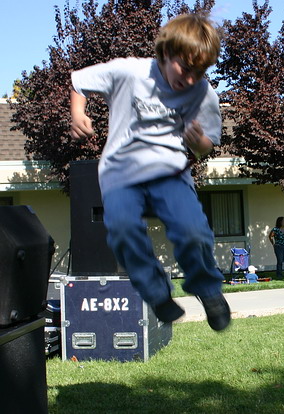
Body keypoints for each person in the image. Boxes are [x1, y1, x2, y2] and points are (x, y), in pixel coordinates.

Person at [69, 14, 231, 331]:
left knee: (192, 231)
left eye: (199, 73)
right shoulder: (130, 72)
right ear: (166, 53)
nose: (190, 80)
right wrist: (78, 113)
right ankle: (156, 293)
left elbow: (207, 145)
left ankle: (207, 288)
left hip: (169, 171)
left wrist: (197, 140)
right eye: (185, 68)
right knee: (123, 230)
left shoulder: (203, 93)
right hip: (121, 171)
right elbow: (79, 81)